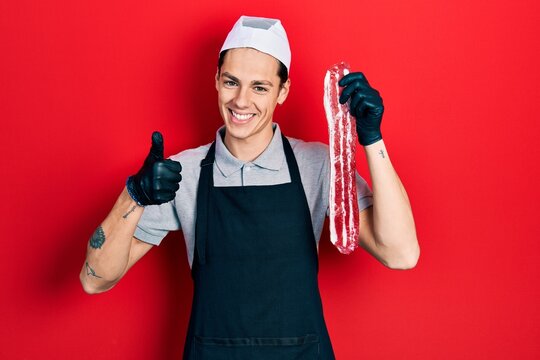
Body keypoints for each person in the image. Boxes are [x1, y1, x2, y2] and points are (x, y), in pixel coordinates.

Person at [80, 15, 419, 359]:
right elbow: (95, 279)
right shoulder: (185, 174)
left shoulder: (317, 166)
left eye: (259, 87)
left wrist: (372, 139)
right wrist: (134, 196)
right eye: (231, 82)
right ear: (216, 80)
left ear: (283, 91)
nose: (241, 101)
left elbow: (400, 253)